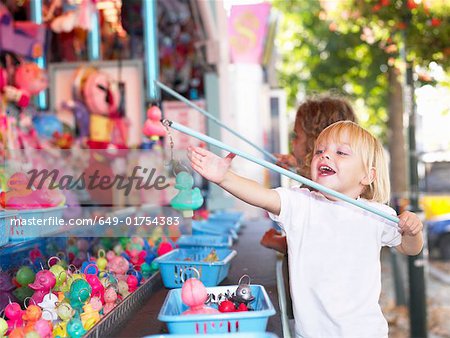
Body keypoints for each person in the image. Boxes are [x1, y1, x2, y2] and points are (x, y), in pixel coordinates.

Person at [188, 121, 423, 337]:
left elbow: (409, 248)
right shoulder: (301, 203)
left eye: (340, 152)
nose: (326, 156)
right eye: (320, 151)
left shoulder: (377, 215)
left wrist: (413, 232)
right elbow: (261, 195)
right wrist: (224, 178)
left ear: (367, 175)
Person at [261, 96, 357, 254]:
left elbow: (312, 244)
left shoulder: (320, 191)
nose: (292, 143)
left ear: (314, 141)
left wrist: (276, 242)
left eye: (296, 136)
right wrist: (299, 166)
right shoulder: (345, 185)